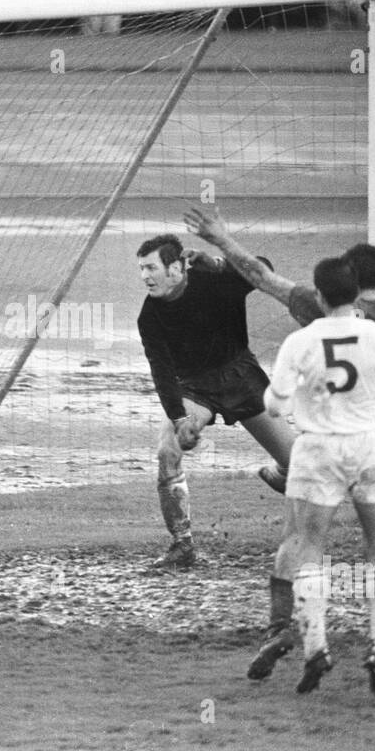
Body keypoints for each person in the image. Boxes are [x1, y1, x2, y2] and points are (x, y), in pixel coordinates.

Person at [185, 205, 375, 481]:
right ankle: (289, 475)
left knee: (304, 526)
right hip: (370, 445)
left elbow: (261, 276)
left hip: (322, 443)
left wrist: (221, 239)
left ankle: (287, 474)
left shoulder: (320, 307)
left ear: (346, 277)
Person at [254, 256, 375, 696]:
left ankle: (316, 648)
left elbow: (274, 405)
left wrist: (298, 397)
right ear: (357, 295)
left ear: (318, 296)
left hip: (319, 450)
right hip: (372, 445)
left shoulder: (301, 340)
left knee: (309, 545)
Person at [136, 235, 298, 571]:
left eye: (151, 267)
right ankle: (182, 546)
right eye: (141, 269)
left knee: (302, 467)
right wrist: (179, 419)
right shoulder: (149, 316)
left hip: (241, 376)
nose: (145, 276)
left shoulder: (213, 280)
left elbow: (263, 269)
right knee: (168, 448)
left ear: (177, 267)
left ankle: (281, 475)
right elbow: (161, 373)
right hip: (195, 389)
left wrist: (221, 265)